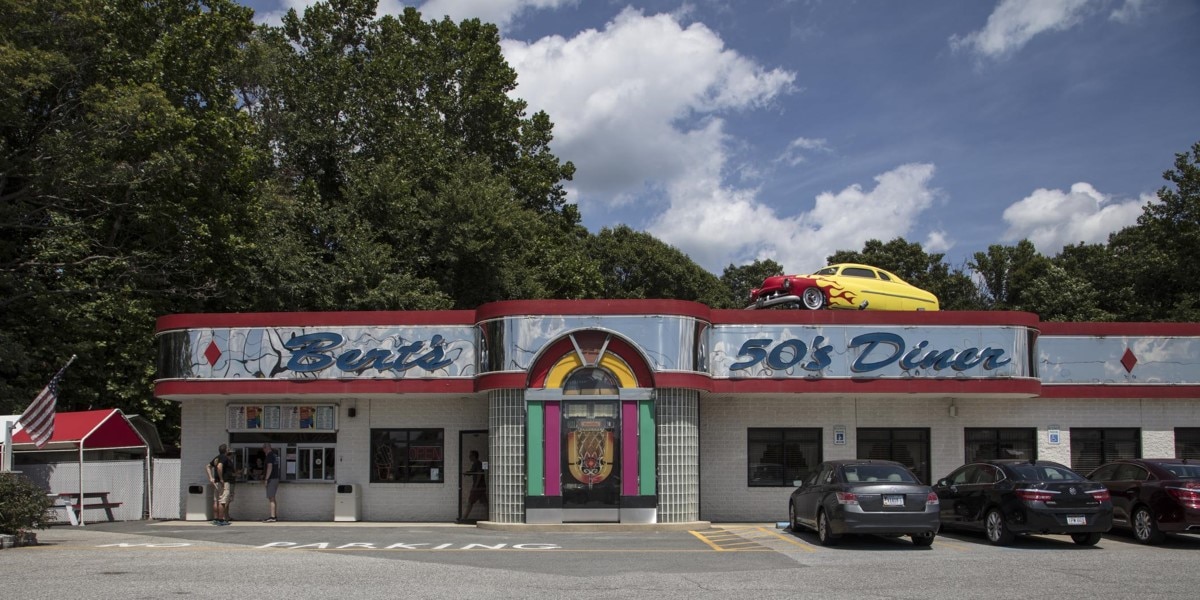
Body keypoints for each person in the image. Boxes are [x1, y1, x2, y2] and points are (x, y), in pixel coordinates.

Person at [205, 444, 235, 526]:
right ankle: (221, 520)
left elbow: (208, 466)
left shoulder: (217, 458)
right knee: (223, 501)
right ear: (226, 450)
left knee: (216, 500)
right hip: (223, 482)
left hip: (217, 482)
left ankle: (216, 519)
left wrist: (211, 478)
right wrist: (221, 479)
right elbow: (219, 466)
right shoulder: (224, 457)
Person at [460, 450, 487, 521]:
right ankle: (488, 516)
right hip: (482, 487)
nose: (469, 457)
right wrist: (467, 473)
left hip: (478, 488)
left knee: (470, 502)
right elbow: (473, 472)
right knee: (485, 503)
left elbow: (479, 474)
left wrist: (476, 485)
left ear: (474, 456)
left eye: (470, 456)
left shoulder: (477, 464)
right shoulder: (476, 464)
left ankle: (464, 518)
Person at [261, 442, 280, 522]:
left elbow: (269, 467)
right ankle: (274, 515)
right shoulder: (274, 455)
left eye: (264, 448)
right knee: (272, 498)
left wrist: (266, 479)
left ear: (267, 448)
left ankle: (272, 517)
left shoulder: (269, 456)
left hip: (271, 479)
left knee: (271, 498)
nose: (263, 450)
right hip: (275, 478)